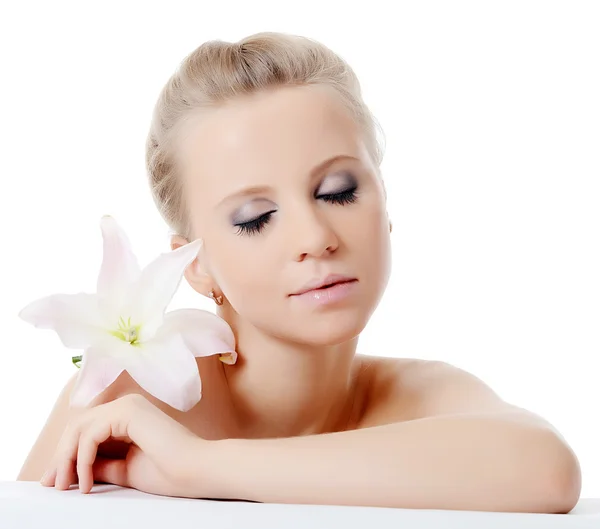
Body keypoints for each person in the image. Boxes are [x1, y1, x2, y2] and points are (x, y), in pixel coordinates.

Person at [17, 31, 581, 513]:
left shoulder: (420, 396)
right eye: (256, 219)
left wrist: (203, 466)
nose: (316, 238)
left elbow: (547, 472)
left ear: (385, 204)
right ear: (193, 264)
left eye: (339, 191)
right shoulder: (132, 402)